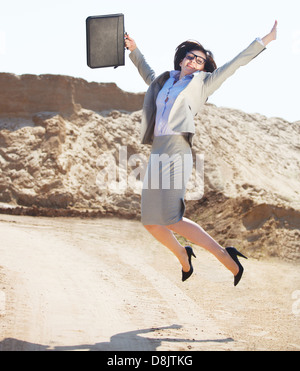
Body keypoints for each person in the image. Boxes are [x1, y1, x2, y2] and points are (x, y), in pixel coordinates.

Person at [124, 21, 277, 285]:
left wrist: (265, 40)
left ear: (204, 68)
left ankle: (225, 256)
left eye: (200, 60)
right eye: (191, 57)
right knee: (150, 221)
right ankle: (184, 256)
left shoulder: (203, 83)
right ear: (182, 59)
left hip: (177, 149)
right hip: (158, 148)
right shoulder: (165, 81)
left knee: (172, 219)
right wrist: (134, 50)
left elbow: (235, 64)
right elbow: (147, 72)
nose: (194, 61)